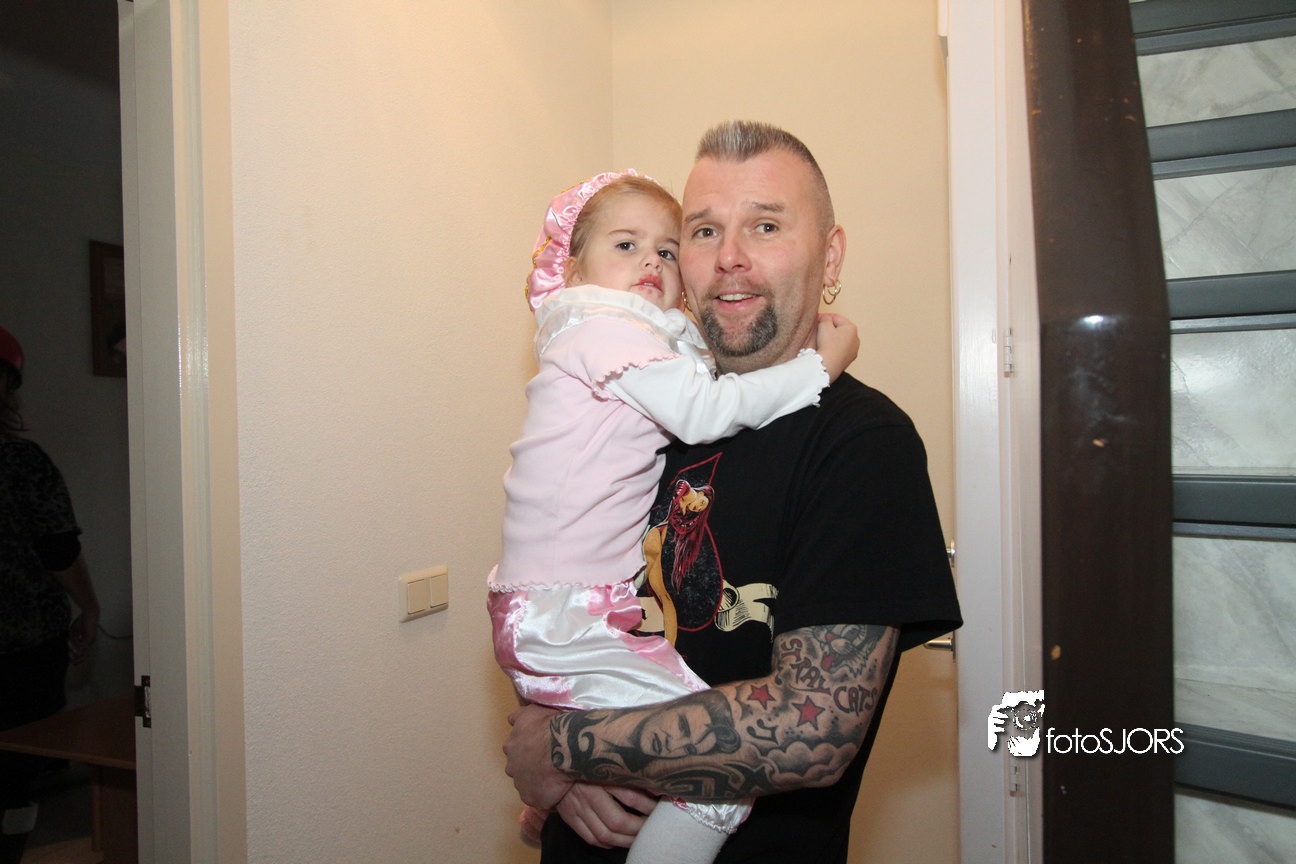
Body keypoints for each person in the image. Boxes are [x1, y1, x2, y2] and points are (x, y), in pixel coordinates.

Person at [503, 122, 963, 864]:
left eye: (766, 226)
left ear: (830, 256)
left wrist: (561, 747)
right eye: (705, 230)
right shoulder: (645, 404)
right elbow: (559, 589)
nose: (730, 258)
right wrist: (556, 753)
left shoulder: (862, 443)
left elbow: (812, 727)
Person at [0, 325, 102, 864]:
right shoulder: (21, 463)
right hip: (22, 653)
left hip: (23, 649)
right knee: (15, 773)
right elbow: (58, 550)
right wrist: (90, 606)